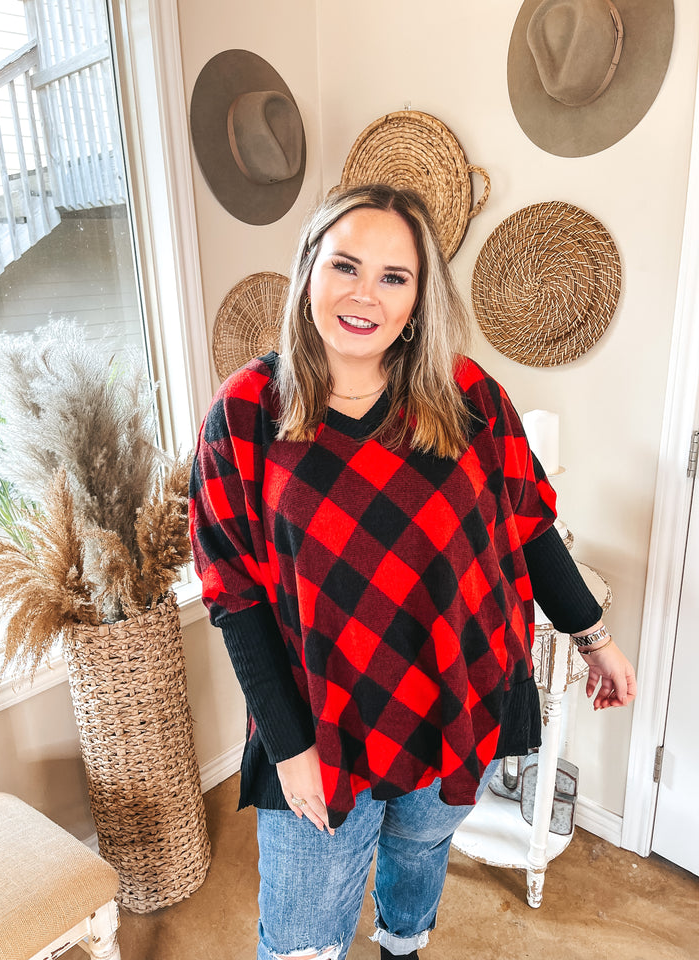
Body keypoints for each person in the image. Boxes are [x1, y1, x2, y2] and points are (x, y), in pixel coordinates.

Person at [189, 183, 636, 960]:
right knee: (300, 933)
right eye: (346, 266)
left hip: (453, 699)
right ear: (309, 271)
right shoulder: (247, 410)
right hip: (324, 723)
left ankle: (404, 948)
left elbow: (526, 525)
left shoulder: (467, 396)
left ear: (420, 296)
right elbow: (236, 595)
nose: (366, 295)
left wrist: (594, 638)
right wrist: (290, 746)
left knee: (419, 856)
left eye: (394, 277)